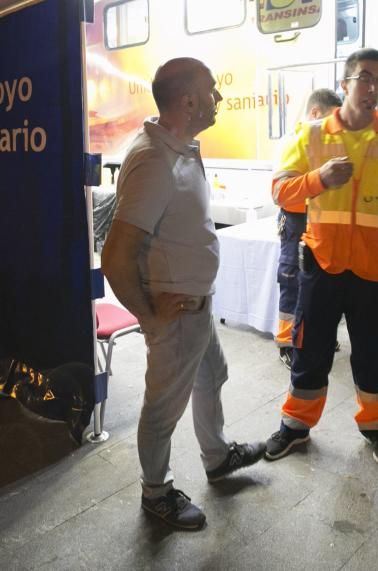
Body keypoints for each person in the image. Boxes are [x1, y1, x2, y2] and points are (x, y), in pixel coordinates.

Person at [101, 58, 265, 531]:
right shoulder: (155, 161)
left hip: (196, 303)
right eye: (212, 91)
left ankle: (216, 457)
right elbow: (115, 257)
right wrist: (149, 317)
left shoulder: (180, 147)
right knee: (162, 409)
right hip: (174, 313)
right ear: (188, 100)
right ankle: (156, 494)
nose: (219, 98)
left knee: (212, 374)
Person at [263, 48, 378, 466]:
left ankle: (377, 429)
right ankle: (295, 426)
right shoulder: (311, 136)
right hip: (321, 263)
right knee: (309, 348)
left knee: (373, 353)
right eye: (365, 77)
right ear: (346, 83)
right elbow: (279, 190)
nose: (374, 87)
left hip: (373, 271)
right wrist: (318, 179)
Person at [275, 88, 342, 369]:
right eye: (330, 118)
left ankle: (313, 333)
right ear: (315, 113)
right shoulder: (297, 141)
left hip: (322, 221)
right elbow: (282, 192)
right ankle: (287, 342)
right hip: (297, 221)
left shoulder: (328, 141)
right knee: (292, 280)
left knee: (320, 283)